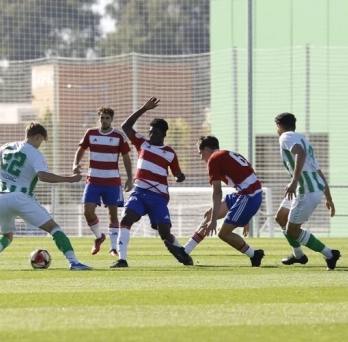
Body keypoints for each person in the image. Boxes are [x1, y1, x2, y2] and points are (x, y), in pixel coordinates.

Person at [0, 122, 92, 271]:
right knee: (53, 228)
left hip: (1, 198)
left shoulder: (8, 146)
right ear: (38, 137)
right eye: (41, 142)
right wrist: (69, 179)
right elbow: (43, 176)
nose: (40, 145)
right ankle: (74, 262)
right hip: (21, 197)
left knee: (6, 235)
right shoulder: (35, 154)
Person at [110, 97, 187, 268]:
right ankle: (122, 260)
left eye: (156, 133)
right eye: (150, 131)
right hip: (139, 192)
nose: (151, 135)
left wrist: (179, 177)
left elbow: (177, 173)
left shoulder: (169, 153)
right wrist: (144, 109)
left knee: (165, 234)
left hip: (158, 196)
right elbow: (126, 127)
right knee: (126, 219)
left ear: (164, 135)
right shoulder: (142, 144)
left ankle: (183, 253)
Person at [172, 136, 265, 267]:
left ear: (207, 149)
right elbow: (247, 178)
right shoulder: (228, 154)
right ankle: (185, 252)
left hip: (248, 197)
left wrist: (215, 220)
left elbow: (217, 192)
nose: (201, 158)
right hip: (246, 194)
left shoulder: (214, 159)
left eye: (201, 153)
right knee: (208, 214)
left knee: (223, 233)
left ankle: (254, 254)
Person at [275, 113, 341, 270]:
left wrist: (294, 181)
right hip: (306, 188)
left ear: (279, 126)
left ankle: (330, 254)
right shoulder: (303, 140)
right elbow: (318, 171)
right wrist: (329, 198)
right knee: (281, 217)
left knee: (293, 231)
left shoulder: (286, 136)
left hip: (306, 190)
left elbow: (300, 154)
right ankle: (298, 255)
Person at [72, 107, 133, 257]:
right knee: (87, 211)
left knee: (112, 215)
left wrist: (130, 178)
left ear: (112, 119)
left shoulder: (119, 136)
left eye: (107, 118)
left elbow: (126, 157)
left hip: (112, 182)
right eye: (102, 118)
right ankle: (99, 237)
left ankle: (113, 248)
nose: (104, 120)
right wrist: (75, 164)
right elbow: (81, 149)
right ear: (98, 119)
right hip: (93, 181)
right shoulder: (91, 133)